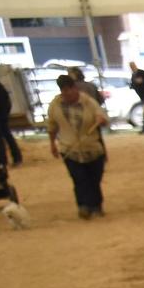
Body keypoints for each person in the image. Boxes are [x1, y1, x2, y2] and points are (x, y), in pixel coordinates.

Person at [46, 73, 108, 219]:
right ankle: (83, 206)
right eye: (63, 91)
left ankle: (96, 205)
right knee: (78, 178)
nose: (67, 94)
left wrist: (100, 119)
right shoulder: (55, 105)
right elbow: (52, 126)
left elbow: (102, 116)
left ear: (75, 88)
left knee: (94, 179)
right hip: (69, 148)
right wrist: (52, 144)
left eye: (69, 90)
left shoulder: (88, 102)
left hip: (92, 148)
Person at [127, 61, 144, 134]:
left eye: (132, 66)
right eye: (131, 66)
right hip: (143, 97)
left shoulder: (141, 73)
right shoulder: (134, 75)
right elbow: (134, 84)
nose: (132, 67)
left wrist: (141, 82)